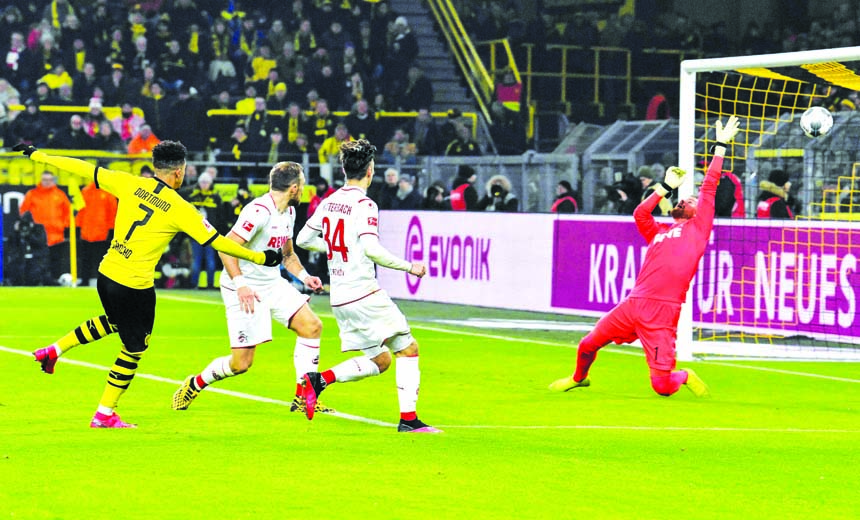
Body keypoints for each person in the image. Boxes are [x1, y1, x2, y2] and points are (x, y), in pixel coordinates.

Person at [15, 141, 283, 428]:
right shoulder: (181, 208)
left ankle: (54, 350)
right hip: (134, 285)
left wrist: (39, 156)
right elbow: (218, 241)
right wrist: (259, 256)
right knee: (133, 348)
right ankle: (105, 413)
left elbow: (82, 168)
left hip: (107, 273)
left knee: (116, 322)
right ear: (179, 172)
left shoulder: (128, 182)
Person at [549, 115, 742, 398]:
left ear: (700, 209)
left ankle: (684, 375)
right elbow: (640, 213)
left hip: (662, 312)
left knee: (662, 387)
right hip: (633, 303)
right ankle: (579, 378)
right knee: (587, 344)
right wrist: (664, 186)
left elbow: (710, 184)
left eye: (691, 199)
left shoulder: (699, 229)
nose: (685, 199)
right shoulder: (660, 231)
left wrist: (721, 146)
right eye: (682, 197)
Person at [296, 139, 441, 433]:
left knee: (382, 360)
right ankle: (409, 421)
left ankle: (317, 381)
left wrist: (338, 249)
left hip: (340, 298)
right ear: (371, 170)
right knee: (409, 348)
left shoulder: (330, 201)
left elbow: (302, 240)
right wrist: (409, 266)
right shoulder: (365, 204)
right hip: (364, 292)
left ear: (343, 169)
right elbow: (372, 250)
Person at [172, 161, 333, 416]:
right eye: (302, 185)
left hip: (271, 282)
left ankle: (304, 397)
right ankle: (196, 383)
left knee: (312, 326)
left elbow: (288, 255)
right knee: (241, 363)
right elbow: (226, 248)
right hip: (244, 287)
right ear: (293, 188)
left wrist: (305, 276)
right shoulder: (258, 211)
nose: (303, 189)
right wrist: (241, 285)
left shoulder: (288, 213)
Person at [19, 171, 71, 281]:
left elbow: (68, 213)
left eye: (49, 180)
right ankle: (37, 281)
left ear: (53, 180)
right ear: (41, 180)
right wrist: (31, 227)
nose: (47, 182)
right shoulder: (32, 194)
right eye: (45, 180)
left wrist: (62, 225)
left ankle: (54, 281)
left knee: (55, 260)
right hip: (37, 238)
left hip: (56, 236)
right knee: (37, 261)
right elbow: (24, 211)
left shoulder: (60, 195)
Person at [184, 172, 223, 289]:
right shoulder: (192, 196)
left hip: (210, 235)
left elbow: (219, 217)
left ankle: (210, 284)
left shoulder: (215, 197)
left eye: (206, 182)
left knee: (210, 261)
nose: (204, 185)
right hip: (196, 235)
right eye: (202, 182)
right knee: (196, 261)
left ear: (210, 183)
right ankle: (194, 284)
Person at [75, 181, 118, 286]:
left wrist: (111, 229)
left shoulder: (108, 192)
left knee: (101, 259)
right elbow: (80, 211)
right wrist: (78, 226)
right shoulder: (85, 191)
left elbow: (113, 212)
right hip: (87, 231)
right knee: (86, 259)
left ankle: (102, 281)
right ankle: (85, 280)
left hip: (102, 233)